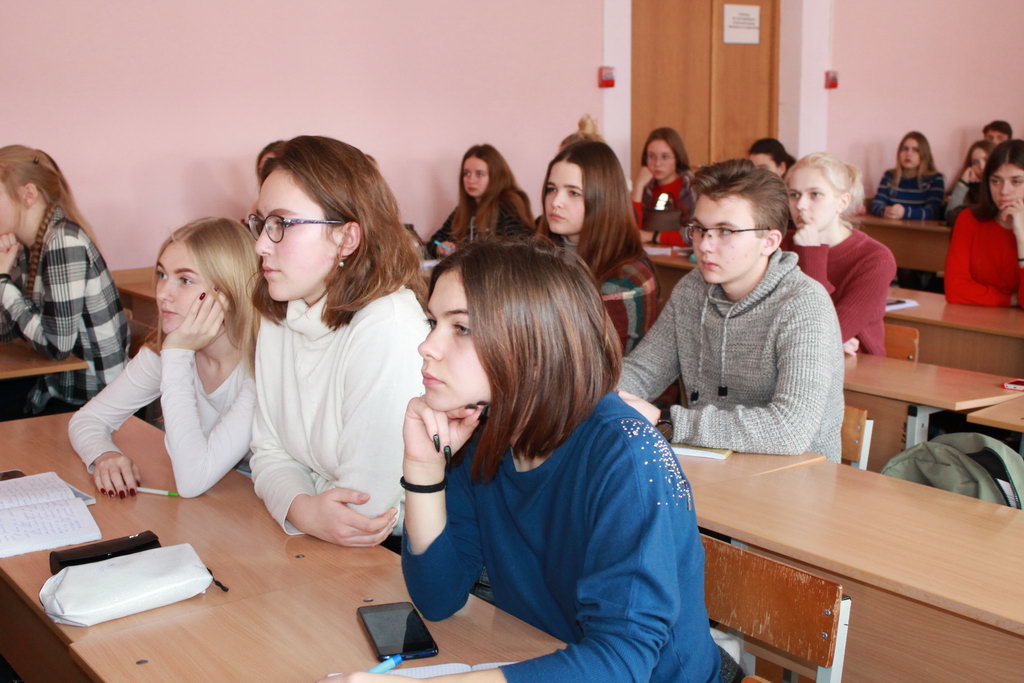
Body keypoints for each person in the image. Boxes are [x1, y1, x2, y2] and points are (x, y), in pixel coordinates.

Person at [393, 240, 719, 683]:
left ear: (534, 343)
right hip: (551, 660)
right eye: (434, 322)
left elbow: (624, 662)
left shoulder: (627, 455)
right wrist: (424, 470)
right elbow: (439, 598)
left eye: (462, 328)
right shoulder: (485, 432)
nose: (427, 346)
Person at [248, 135, 426, 547]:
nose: (260, 244)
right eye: (261, 222)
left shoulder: (388, 326)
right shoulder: (280, 310)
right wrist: (303, 508)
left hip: (395, 553)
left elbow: (363, 513)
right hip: (315, 537)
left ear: (347, 238)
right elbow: (267, 453)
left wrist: (295, 489)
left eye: (282, 224)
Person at [618, 159, 844, 463]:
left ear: (769, 242)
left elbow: (790, 429)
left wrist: (668, 422)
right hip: (709, 463)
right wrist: (593, 394)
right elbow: (643, 371)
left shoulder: (804, 304)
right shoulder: (692, 288)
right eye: (700, 229)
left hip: (797, 475)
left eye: (725, 231)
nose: (705, 245)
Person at [69, 218, 260, 498]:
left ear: (229, 292)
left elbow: (192, 480)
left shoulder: (259, 368)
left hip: (255, 508)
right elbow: (88, 419)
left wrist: (178, 355)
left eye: (185, 280)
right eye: (162, 275)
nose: (162, 294)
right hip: (214, 503)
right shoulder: (166, 353)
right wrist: (105, 454)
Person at [0, 145, 129, 419]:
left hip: (94, 402)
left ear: (28, 194)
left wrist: (2, 283)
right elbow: (6, 331)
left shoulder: (63, 243)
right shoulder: (25, 245)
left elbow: (57, 347)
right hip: (56, 387)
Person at [538, 141, 658, 353]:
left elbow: (592, 363)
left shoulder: (627, 281)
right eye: (551, 189)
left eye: (573, 193)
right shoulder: (542, 256)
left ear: (603, 199)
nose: (556, 201)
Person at [785, 153, 896, 356]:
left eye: (815, 194)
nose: (800, 205)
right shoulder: (781, 243)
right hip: (792, 356)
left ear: (842, 202)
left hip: (857, 365)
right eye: (794, 194)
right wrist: (831, 338)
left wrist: (810, 252)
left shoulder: (876, 259)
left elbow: (824, 335)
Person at [945, 139, 1024, 309]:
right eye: (996, 181)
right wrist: (1011, 300)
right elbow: (955, 290)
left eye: (1016, 181)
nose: (1004, 191)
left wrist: (1021, 237)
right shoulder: (968, 220)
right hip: (973, 319)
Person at [426, 144, 533, 257]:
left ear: (495, 176)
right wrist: (440, 247)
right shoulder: (463, 209)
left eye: (479, 174)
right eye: (466, 173)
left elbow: (518, 249)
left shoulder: (509, 204)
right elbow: (433, 243)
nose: (471, 180)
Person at [632, 127, 696, 246]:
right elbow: (631, 232)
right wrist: (638, 186)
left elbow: (694, 234)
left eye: (665, 157)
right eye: (652, 156)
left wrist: (652, 236)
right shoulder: (646, 186)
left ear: (677, 158)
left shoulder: (689, 185)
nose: (657, 163)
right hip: (648, 253)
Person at [868, 131, 945, 220]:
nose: (908, 154)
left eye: (915, 150)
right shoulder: (889, 176)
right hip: (892, 226)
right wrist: (885, 211)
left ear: (924, 155)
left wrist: (904, 213)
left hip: (920, 228)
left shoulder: (935, 179)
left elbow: (933, 212)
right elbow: (876, 205)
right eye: (905, 149)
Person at [945, 140, 995, 226]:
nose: (981, 166)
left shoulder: (1001, 189)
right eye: (975, 162)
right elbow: (950, 217)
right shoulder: (971, 188)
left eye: (986, 160)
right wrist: (963, 182)